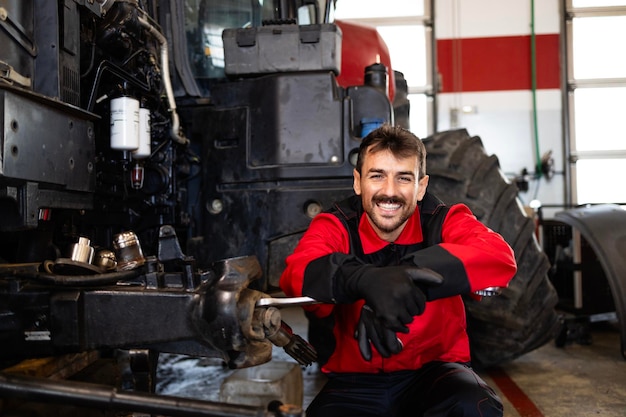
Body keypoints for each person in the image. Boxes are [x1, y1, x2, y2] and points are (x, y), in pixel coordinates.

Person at [279, 124, 517, 417]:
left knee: (474, 407)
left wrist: (405, 278)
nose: (389, 192)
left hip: (435, 375)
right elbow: (297, 274)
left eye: (404, 178)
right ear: (358, 182)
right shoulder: (336, 225)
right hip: (357, 383)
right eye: (377, 176)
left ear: (421, 187)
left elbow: (499, 257)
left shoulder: (443, 221)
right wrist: (363, 280)